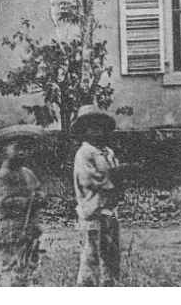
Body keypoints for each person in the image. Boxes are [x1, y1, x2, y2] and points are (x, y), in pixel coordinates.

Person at [71, 106, 124, 286]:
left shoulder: (107, 152)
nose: (97, 131)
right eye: (91, 128)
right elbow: (88, 179)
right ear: (83, 131)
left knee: (110, 249)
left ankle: (110, 282)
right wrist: (112, 178)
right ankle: (88, 285)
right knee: (92, 251)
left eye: (100, 127)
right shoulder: (84, 153)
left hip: (108, 208)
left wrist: (120, 177)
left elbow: (117, 174)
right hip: (92, 209)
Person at [0, 135, 42, 286]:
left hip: (29, 226)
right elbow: (3, 201)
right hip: (11, 228)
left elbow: (37, 190)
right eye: (17, 148)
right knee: (13, 265)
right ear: (5, 150)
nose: (22, 152)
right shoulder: (2, 176)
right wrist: (25, 201)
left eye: (25, 149)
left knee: (30, 263)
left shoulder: (27, 173)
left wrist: (39, 197)